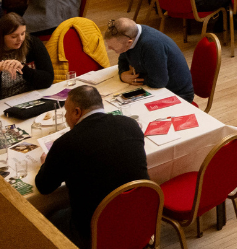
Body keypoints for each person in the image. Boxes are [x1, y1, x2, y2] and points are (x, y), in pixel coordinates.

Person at [35, 86, 149, 247]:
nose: (66, 116)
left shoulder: (66, 143)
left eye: (66, 112)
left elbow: (44, 187)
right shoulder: (130, 124)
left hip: (94, 232)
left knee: (45, 220)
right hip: (140, 221)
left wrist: (46, 164)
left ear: (77, 112)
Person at [104, 18, 194, 101]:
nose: (109, 48)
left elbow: (158, 82)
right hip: (158, 86)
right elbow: (123, 60)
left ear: (129, 42)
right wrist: (122, 74)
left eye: (113, 48)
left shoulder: (151, 46)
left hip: (177, 94)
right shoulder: (131, 35)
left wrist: (135, 78)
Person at [0, 13, 53, 98]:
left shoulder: (32, 43)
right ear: (2, 36)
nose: (20, 39)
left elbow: (48, 79)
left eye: (23, 33)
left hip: (31, 96)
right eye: (14, 36)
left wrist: (23, 69)